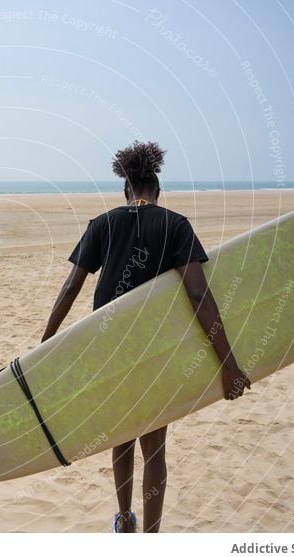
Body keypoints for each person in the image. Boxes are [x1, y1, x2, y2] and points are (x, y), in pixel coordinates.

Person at [41, 141, 250, 533]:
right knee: (154, 446)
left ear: (125, 191)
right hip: (155, 351)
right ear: (156, 190)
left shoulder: (102, 224)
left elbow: (71, 287)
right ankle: (151, 535)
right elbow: (199, 294)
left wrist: (45, 347)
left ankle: (124, 520)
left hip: (111, 350)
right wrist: (229, 365)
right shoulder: (175, 225)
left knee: (121, 436)